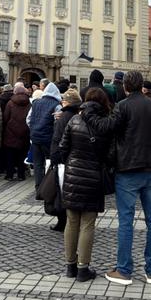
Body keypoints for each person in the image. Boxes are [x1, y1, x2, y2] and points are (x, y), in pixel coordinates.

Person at [106, 71, 151, 286]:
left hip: (128, 168)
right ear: (142, 86)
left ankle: (124, 270)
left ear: (125, 86)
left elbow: (111, 131)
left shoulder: (122, 106)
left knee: (126, 221)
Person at [56, 87, 115, 282]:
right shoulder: (105, 123)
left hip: (73, 175)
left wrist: (72, 163)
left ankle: (70, 266)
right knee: (88, 224)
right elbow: (110, 155)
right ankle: (83, 268)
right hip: (93, 177)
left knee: (72, 221)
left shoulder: (74, 119)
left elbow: (62, 148)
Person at [26, 81, 62, 191]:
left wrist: (33, 129)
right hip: (49, 138)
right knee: (51, 162)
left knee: (37, 163)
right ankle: (49, 187)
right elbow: (58, 123)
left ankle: (38, 187)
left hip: (35, 137)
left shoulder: (36, 103)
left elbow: (28, 119)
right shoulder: (57, 105)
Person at [1, 83, 31, 181]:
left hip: (11, 132)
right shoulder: (29, 103)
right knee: (22, 155)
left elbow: (6, 117)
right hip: (25, 132)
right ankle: (21, 175)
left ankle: (9, 175)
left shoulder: (10, 103)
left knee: (10, 155)